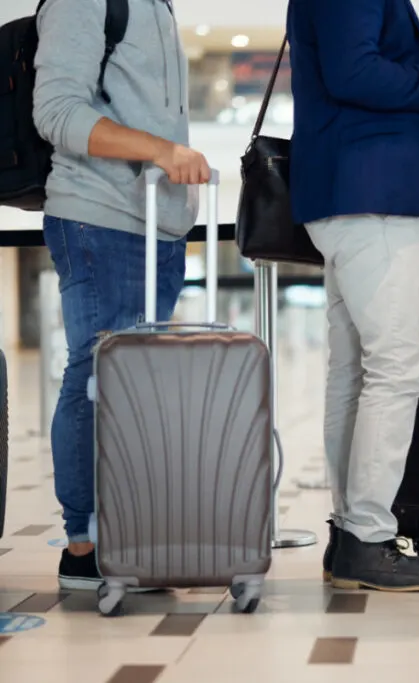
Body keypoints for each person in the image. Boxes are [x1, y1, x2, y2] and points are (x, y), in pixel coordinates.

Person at [287, 0, 419, 592]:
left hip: (354, 193)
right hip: (369, 200)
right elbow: (354, 73)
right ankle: (367, 536)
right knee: (398, 367)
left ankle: (353, 531)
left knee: (355, 371)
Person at [33, 0, 211, 590]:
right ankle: (83, 546)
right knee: (95, 373)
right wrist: (160, 151)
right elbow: (56, 111)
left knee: (132, 386)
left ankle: (129, 534)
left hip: (156, 224)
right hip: (98, 218)